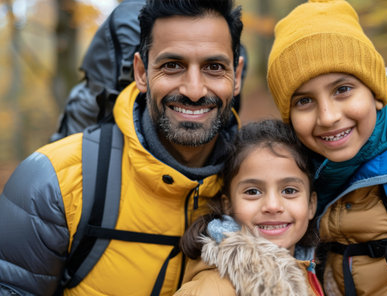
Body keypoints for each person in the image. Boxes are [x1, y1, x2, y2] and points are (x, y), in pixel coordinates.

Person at [0, 0, 244, 295]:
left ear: (237, 76)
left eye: (214, 67)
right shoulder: (54, 183)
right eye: (172, 66)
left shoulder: (264, 187)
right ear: (141, 72)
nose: (194, 90)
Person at [267, 0, 387, 295]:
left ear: (377, 94)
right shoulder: (299, 186)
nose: (328, 117)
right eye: (304, 101)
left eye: (342, 90)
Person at [174, 119, 324, 296]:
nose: (273, 206)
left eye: (289, 190)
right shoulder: (211, 289)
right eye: (253, 191)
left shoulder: (313, 273)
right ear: (228, 205)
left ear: (311, 204)